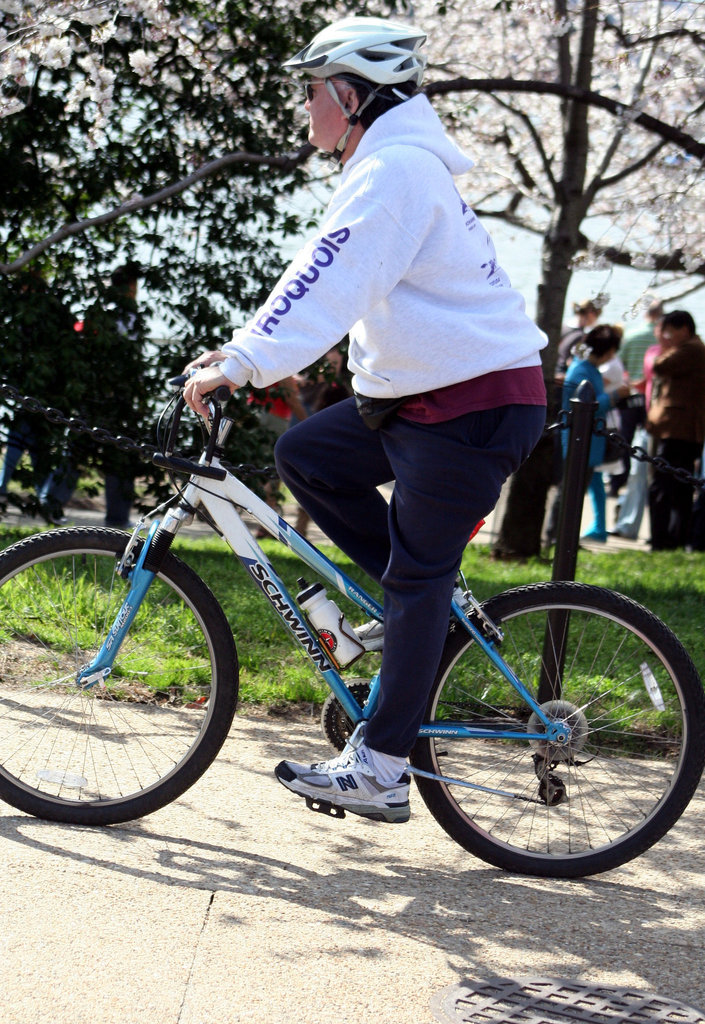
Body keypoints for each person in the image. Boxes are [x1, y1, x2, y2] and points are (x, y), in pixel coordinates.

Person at [183, 16, 547, 824]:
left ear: (349, 94)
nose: (303, 109)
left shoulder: (395, 172)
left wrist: (245, 361)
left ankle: (382, 766)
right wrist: (251, 350)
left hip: (471, 407)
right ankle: (416, 616)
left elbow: (328, 279)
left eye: (310, 92)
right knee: (309, 455)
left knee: (416, 582)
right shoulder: (393, 165)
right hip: (431, 399)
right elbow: (345, 282)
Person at [39, 262, 149, 527]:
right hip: (112, 397)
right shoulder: (125, 317)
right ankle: (115, 517)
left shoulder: (99, 314)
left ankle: (52, 502)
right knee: (115, 455)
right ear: (130, 286)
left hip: (97, 396)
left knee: (80, 452)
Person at [561, 325, 630, 542]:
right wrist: (615, 395)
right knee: (570, 493)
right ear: (609, 351)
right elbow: (587, 406)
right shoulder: (583, 370)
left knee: (578, 491)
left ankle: (566, 538)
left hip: (588, 441)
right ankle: (560, 538)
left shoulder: (587, 367)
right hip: (580, 441)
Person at [646, 310, 705, 550]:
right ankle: (674, 538)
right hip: (685, 429)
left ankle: (662, 539)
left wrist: (663, 345)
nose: (666, 336)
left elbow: (659, 365)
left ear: (684, 329)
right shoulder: (695, 348)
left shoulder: (691, 349)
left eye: (669, 331)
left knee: (663, 485)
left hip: (678, 429)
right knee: (679, 486)